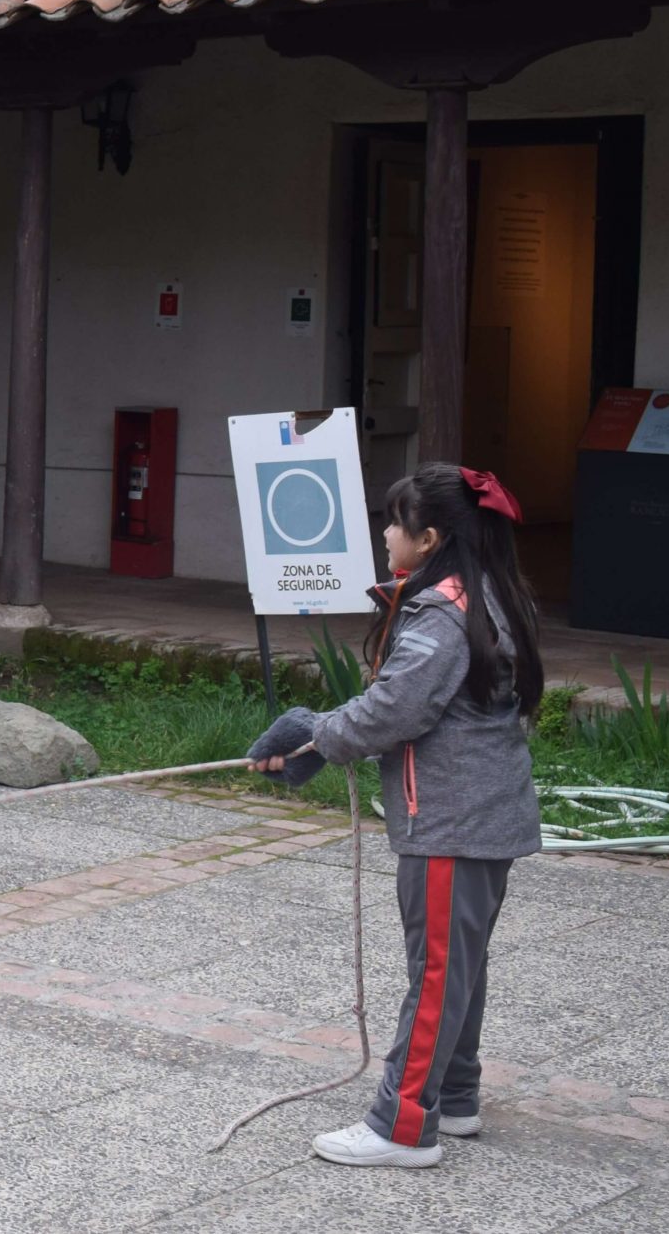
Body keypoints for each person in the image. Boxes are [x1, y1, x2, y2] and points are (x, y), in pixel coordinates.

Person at [248, 461, 544, 1169]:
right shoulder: (485, 591)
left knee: (437, 973)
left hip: (451, 821)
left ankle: (403, 1124)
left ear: (430, 537)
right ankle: (456, 1095)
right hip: (480, 815)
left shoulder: (442, 612)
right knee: (458, 965)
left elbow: (394, 709)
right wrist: (322, 733)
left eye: (394, 522)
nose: (385, 534)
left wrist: (315, 733)